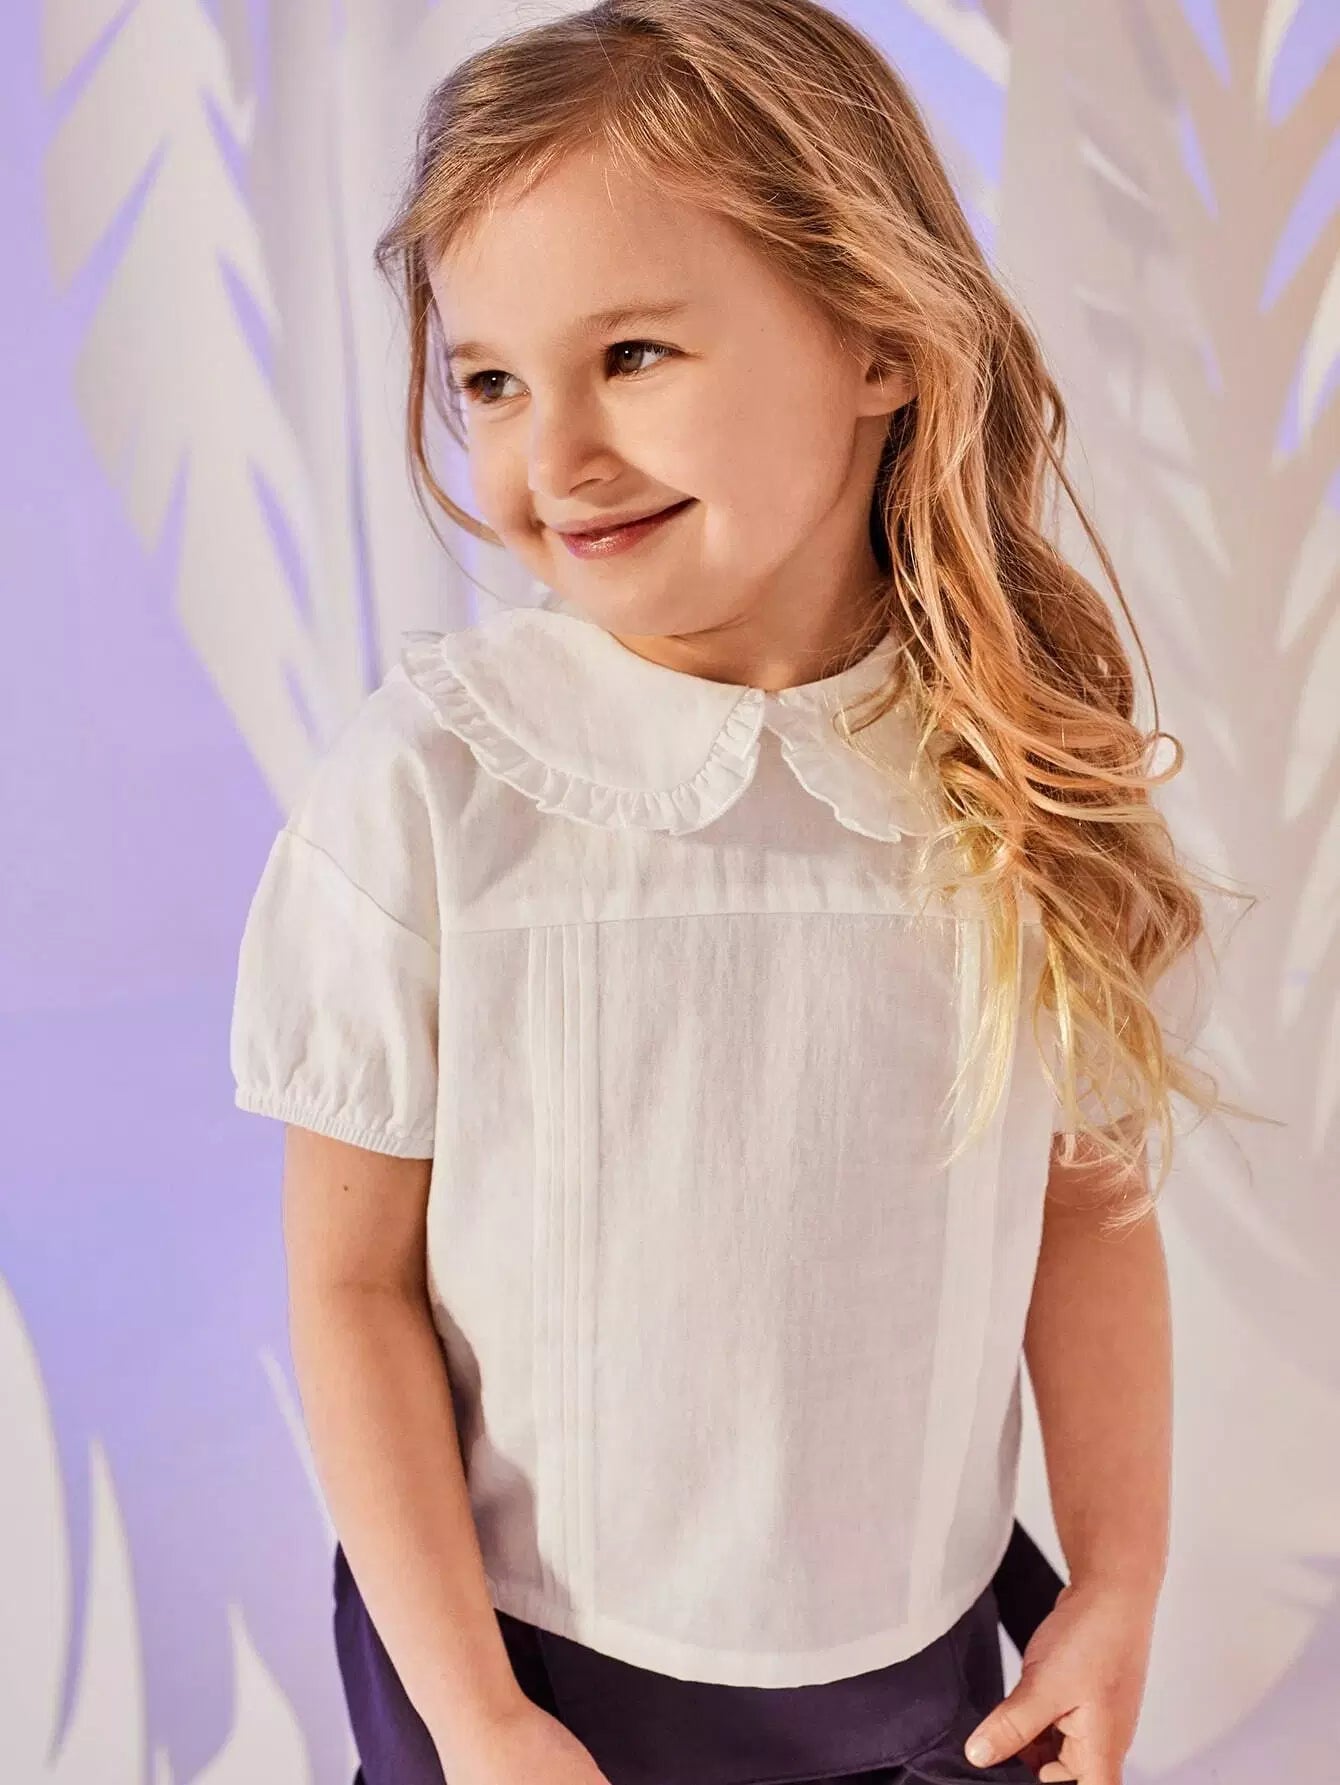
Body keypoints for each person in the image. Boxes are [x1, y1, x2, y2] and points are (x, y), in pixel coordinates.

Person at [229, 3, 1249, 1782]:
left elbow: (1083, 1209)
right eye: (490, 382)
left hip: (922, 1684)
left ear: (880, 338)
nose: (554, 455)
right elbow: (352, 1287)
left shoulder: (1007, 775)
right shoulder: (435, 790)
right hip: (530, 1679)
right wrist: (480, 1716)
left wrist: (1120, 1577)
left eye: (631, 353)